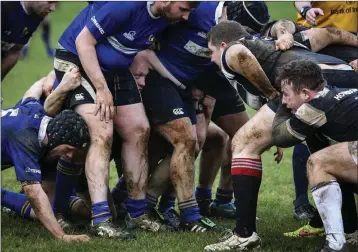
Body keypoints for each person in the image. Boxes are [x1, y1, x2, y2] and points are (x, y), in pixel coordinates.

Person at [203, 20, 358, 251]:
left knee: (244, 144)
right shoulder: (285, 42)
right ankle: (349, 228)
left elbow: (239, 53)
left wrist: (271, 95)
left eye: (211, 52)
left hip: (303, 86)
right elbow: (329, 32)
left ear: (222, 44)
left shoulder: (232, 50)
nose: (211, 58)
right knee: (323, 152)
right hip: (343, 79)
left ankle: (244, 235)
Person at [53, 1, 199, 237]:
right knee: (102, 131)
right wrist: (101, 89)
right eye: (183, 9)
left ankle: (137, 213)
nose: (185, 17)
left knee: (139, 129)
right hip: (77, 60)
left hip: (115, 67)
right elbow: (84, 42)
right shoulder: (125, 5)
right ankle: (101, 220)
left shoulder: (165, 16)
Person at [272, 59, 358, 252]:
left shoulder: (314, 107)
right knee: (333, 165)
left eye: (285, 95)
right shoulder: (336, 95)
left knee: (318, 163)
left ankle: (335, 246)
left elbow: (279, 137)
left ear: (305, 93)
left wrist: (279, 103)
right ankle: (351, 229)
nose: (284, 101)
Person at [1, 76, 90, 242]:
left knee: (45, 207)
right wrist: (61, 236)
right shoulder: (26, 139)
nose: (69, 156)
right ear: (57, 137)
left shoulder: (37, 113)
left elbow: (32, 93)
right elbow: (33, 192)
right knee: (39, 202)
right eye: (69, 149)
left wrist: (46, 80)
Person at [1, 1, 57, 81]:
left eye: (56, 3)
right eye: (50, 2)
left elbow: (14, 51)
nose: (53, 8)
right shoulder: (5, 7)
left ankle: (46, 48)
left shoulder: (37, 15)